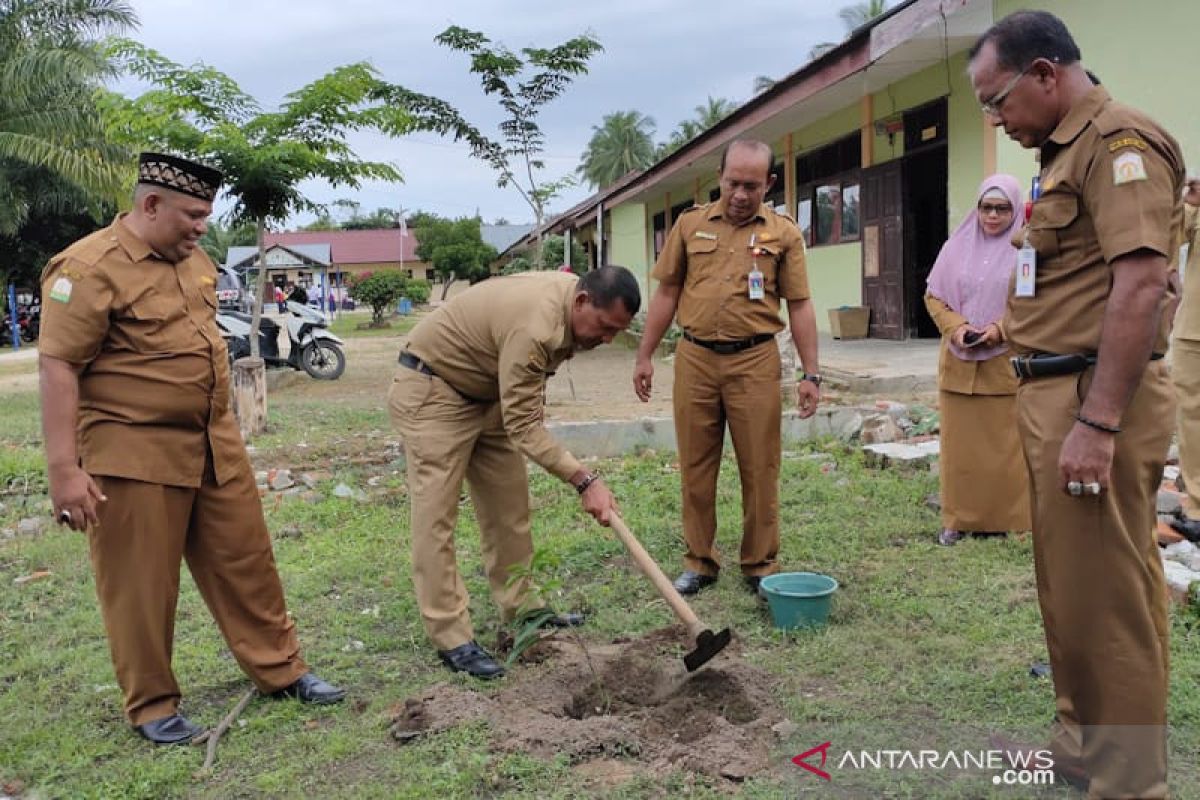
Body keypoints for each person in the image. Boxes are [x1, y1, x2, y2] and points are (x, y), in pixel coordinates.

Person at [37, 153, 345, 746]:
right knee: (141, 584)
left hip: (212, 441)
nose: (202, 226)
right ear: (150, 205)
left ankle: (281, 670)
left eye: (207, 214)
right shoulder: (89, 267)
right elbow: (58, 369)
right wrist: (63, 470)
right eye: (193, 215)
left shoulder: (193, 258)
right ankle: (153, 703)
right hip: (133, 450)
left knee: (247, 559)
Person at [968, 12, 1182, 797]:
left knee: (1112, 599)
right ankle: (1080, 745)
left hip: (1095, 398)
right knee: (1070, 585)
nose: (996, 119)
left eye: (999, 101)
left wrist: (1096, 423)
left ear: (1046, 74)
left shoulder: (1119, 144)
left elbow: (1141, 283)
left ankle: (1129, 782)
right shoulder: (1061, 154)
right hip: (1055, 390)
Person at [388, 266, 639, 679]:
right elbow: (524, 427)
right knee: (436, 520)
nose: (607, 339)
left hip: (488, 397)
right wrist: (585, 480)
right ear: (582, 302)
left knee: (510, 506)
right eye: (605, 327)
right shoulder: (536, 327)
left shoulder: (569, 304)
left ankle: (522, 609)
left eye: (617, 332)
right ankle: (452, 637)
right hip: (433, 390)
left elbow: (522, 406)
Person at [632, 139, 820, 596]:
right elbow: (666, 294)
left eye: (751, 186)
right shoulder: (690, 224)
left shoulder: (784, 234)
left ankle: (759, 564)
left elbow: (799, 305)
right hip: (695, 359)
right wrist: (644, 355)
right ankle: (700, 561)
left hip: (755, 360)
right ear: (720, 176)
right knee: (696, 466)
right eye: (733, 182)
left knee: (760, 468)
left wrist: (811, 374)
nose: (739, 194)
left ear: (769, 184)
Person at [924, 175, 1031, 546]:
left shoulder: (1026, 252)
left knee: (1006, 449)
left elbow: (1034, 302)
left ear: (1014, 210)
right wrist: (956, 328)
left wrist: (1000, 329)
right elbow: (934, 296)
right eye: (987, 207)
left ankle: (1011, 520)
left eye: (1003, 209)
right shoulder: (955, 247)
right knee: (960, 452)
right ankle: (956, 519)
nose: (993, 215)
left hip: (1003, 364)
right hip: (958, 363)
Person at [1169, 177, 1200, 542]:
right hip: (1194, 329)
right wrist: (1189, 204)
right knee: (1191, 419)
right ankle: (1196, 506)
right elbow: (1171, 240)